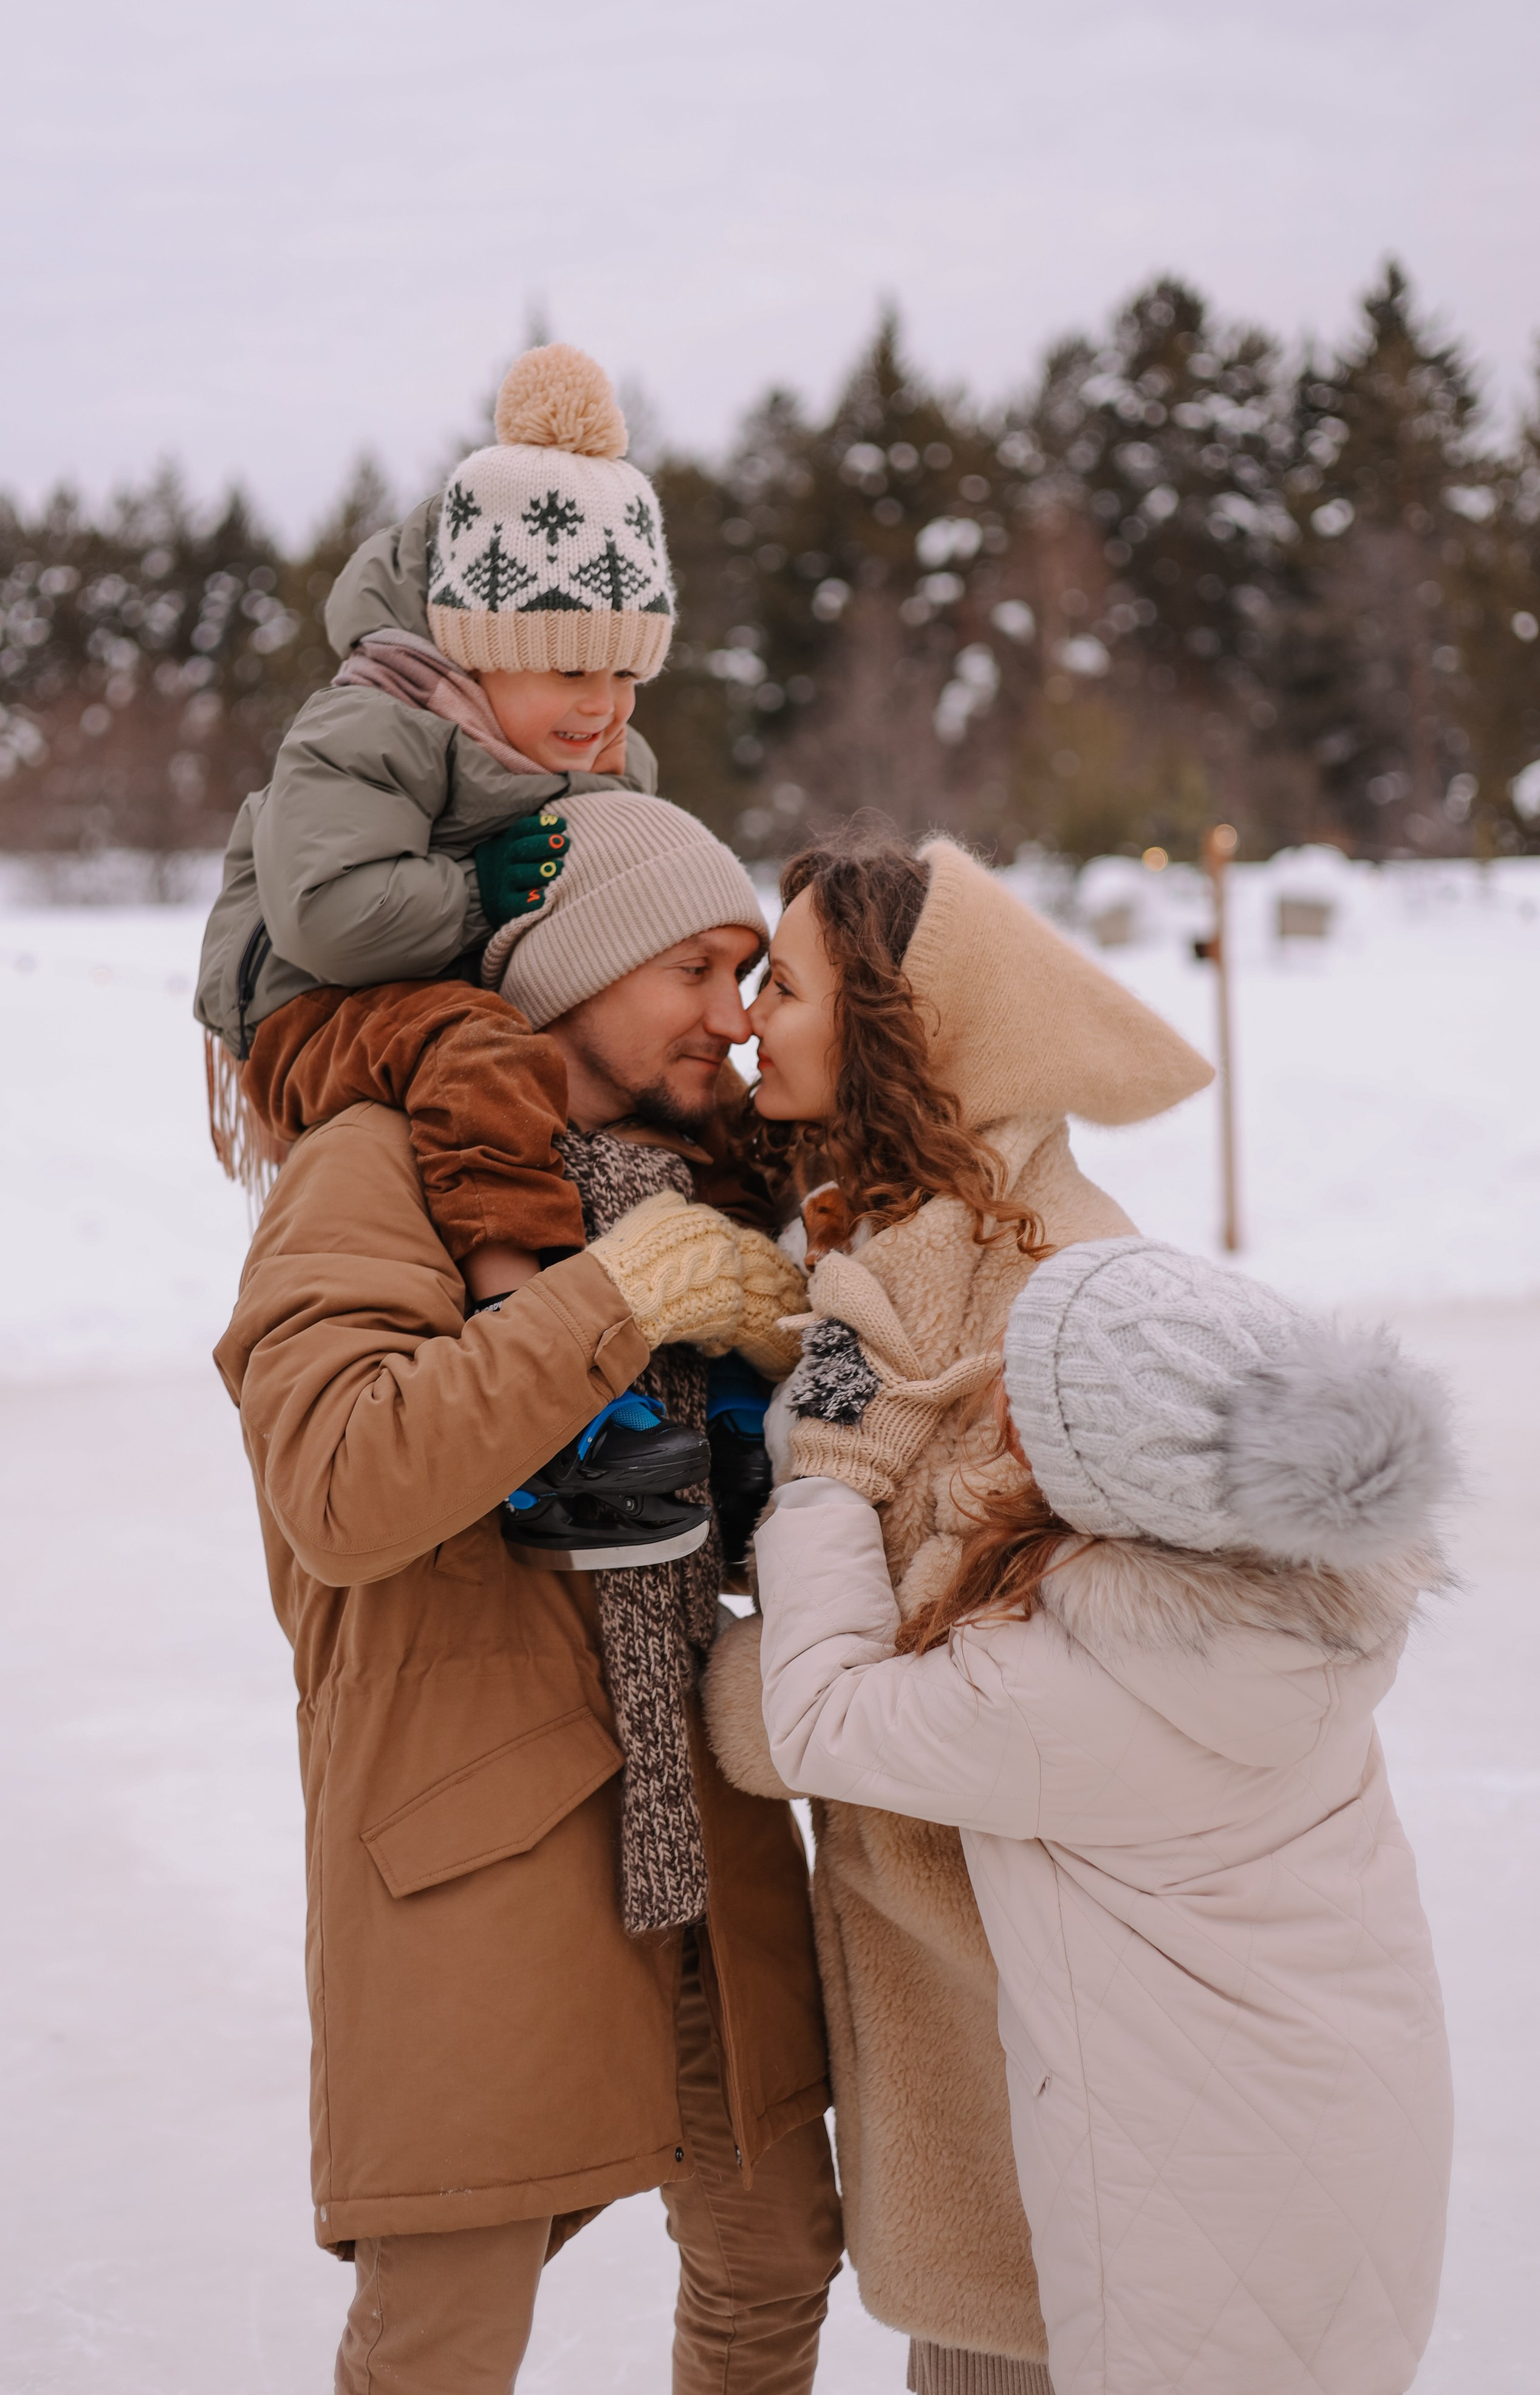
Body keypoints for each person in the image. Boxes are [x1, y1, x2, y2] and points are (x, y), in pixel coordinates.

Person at [214, 797, 842, 2394]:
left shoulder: (701, 1185)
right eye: (693, 968)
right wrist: (618, 1301)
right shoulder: (377, 1168)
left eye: (752, 969)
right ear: (572, 972)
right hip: (479, 1825)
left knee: (775, 2262)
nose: (731, 1012)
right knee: (447, 2335)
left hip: (701, 1819)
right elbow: (343, 1485)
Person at [751, 1237, 1456, 2395]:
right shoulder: (1302, 1603)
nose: (997, 1395)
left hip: (1198, 2203)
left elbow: (820, 1718)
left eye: (1022, 1389)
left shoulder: (1057, 1697)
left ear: (1091, 1464)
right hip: (1357, 2121)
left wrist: (826, 1478)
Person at [702, 830, 1213, 2394]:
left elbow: (899, 1697)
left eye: (778, 986)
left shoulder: (1034, 1292)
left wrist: (717, 1674)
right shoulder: (917, 1239)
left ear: (893, 1027)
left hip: (1035, 2012)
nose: (742, 1019)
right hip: (971, 1995)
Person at [196, 341, 672, 1301]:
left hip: (450, 990)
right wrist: (476, 893)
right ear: (479, 651)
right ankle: (519, 1316)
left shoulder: (595, 749)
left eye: (628, 674)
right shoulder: (371, 721)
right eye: (574, 670)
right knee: (478, 1049)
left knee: (670, 1065)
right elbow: (324, 913)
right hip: (307, 1003)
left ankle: (744, 1322)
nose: (607, 706)